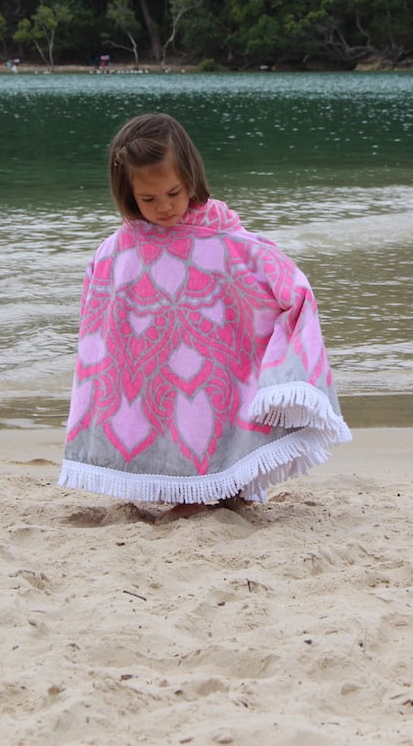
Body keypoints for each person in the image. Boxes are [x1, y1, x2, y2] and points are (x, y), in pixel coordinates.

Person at [59, 113, 351, 521]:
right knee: (173, 410)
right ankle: (189, 491)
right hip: (156, 357)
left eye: (174, 193)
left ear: (191, 178)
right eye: (148, 199)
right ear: (127, 193)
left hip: (214, 353)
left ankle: (230, 485)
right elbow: (102, 313)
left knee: (215, 408)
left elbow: (276, 282)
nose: (164, 207)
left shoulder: (222, 233)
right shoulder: (120, 247)